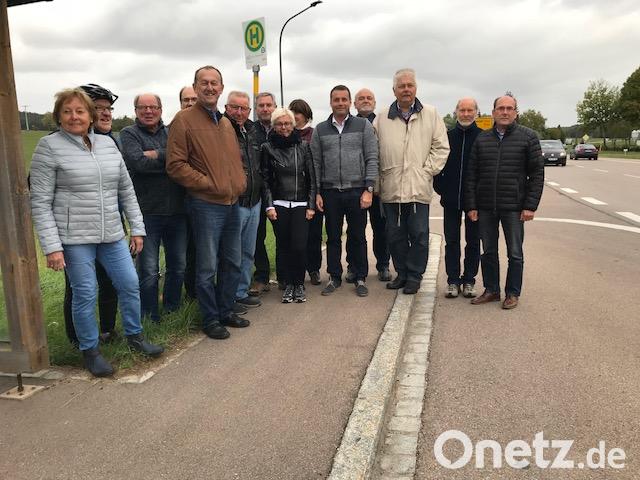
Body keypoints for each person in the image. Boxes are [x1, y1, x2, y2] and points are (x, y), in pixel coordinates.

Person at [30, 87, 163, 377]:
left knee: (129, 283)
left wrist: (137, 229)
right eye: (67, 112)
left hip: (111, 234)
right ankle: (90, 351)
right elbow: (40, 202)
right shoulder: (48, 147)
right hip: (75, 239)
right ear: (58, 117)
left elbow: (126, 190)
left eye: (80, 111)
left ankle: (135, 336)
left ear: (90, 115)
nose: (74, 116)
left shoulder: (107, 145)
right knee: (86, 293)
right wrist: (52, 247)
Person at [166, 65, 249, 340]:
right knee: (207, 267)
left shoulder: (225, 123)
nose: (210, 87)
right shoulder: (183, 120)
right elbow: (176, 165)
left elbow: (234, 161)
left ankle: (226, 310)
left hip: (232, 202)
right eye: (204, 82)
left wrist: (239, 181)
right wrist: (208, 184)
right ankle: (210, 318)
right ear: (195, 87)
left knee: (232, 262)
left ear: (221, 88)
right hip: (205, 204)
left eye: (215, 83)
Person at [464, 94, 544, 309]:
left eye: (509, 108)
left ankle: (512, 293)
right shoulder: (482, 139)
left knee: (515, 253)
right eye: (501, 108)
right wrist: (471, 205)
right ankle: (491, 290)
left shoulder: (528, 137)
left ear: (516, 112)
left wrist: (530, 206)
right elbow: (472, 175)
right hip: (486, 206)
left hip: (514, 207)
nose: (505, 112)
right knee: (488, 251)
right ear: (493, 112)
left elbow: (537, 174)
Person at [374, 68, 450, 295]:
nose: (406, 89)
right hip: (391, 187)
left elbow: (441, 147)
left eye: (410, 85)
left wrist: (427, 171)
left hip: (418, 187)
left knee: (419, 235)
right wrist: (377, 183)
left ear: (416, 88)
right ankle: (402, 273)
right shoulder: (382, 118)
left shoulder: (431, 114)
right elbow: (373, 153)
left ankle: (415, 276)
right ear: (394, 90)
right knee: (395, 236)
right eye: (401, 86)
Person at [120, 93, 187, 322]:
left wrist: (156, 155)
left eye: (153, 107)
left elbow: (183, 160)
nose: (148, 111)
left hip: (177, 211)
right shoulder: (128, 133)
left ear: (160, 109)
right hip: (147, 213)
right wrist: (169, 162)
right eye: (143, 107)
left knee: (178, 265)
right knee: (148, 269)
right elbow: (137, 163)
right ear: (136, 110)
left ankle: (172, 309)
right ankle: (150, 316)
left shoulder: (171, 132)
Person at [63, 83, 120, 346]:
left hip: (110, 226)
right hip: (76, 232)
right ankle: (77, 341)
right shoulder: (58, 144)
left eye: (109, 109)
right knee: (79, 288)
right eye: (99, 108)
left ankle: (108, 331)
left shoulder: (110, 142)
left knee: (109, 281)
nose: (106, 113)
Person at [311, 85, 379, 297]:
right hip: (330, 192)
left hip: (357, 190)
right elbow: (315, 163)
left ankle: (360, 277)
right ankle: (334, 276)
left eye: (344, 99)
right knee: (333, 237)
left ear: (350, 102)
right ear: (331, 102)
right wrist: (317, 192)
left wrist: (369, 189)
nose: (340, 103)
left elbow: (372, 158)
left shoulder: (363, 126)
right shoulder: (320, 130)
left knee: (358, 236)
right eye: (336, 99)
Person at [262, 108, 316, 303]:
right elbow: (265, 180)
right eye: (279, 124)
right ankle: (288, 284)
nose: (283, 127)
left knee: (299, 246)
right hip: (279, 203)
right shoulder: (267, 148)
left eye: (287, 123)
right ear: (274, 126)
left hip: (301, 203)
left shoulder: (303, 146)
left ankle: (299, 283)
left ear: (293, 125)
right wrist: (269, 206)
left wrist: (311, 205)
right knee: (283, 245)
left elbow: (312, 178)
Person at [433, 97, 482, 299]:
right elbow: (437, 165)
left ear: (476, 113)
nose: (466, 114)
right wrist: (442, 189)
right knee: (452, 241)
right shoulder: (447, 137)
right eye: (462, 110)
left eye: (470, 110)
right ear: (456, 112)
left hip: (475, 202)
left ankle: (469, 280)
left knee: (473, 242)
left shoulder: (482, 137)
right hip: (451, 199)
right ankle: (453, 281)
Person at [223, 91, 263, 310]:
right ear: (226, 108)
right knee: (231, 254)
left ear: (249, 111)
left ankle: (240, 292)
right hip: (234, 202)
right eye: (235, 107)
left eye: (244, 108)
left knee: (248, 251)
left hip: (254, 201)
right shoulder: (221, 129)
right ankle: (228, 298)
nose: (239, 112)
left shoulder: (253, 130)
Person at [353, 88, 391, 283]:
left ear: (374, 103)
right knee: (355, 231)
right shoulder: (350, 124)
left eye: (369, 98)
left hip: (378, 187)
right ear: (355, 104)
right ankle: (354, 267)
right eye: (361, 98)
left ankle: (383, 265)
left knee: (381, 229)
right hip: (354, 186)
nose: (365, 101)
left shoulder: (383, 123)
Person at [289, 98, 321, 286]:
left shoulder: (314, 134)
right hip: (293, 194)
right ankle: (293, 272)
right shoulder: (286, 133)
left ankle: (314, 269)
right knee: (295, 237)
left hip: (312, 190)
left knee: (314, 234)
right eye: (292, 112)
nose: (294, 116)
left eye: (298, 112)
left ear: (306, 115)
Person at [249, 92, 278, 295]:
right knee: (257, 237)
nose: (265, 109)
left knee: (283, 235)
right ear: (256, 108)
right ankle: (261, 277)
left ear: (275, 106)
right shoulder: (250, 130)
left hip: (280, 191)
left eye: (269, 105)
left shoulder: (283, 127)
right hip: (257, 192)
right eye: (261, 105)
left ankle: (284, 275)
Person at [178, 86, 199, 300]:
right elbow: (172, 161)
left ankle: (195, 293)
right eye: (186, 100)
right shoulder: (173, 128)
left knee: (199, 251)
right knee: (181, 255)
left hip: (203, 201)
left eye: (194, 99)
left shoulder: (207, 129)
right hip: (176, 203)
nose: (191, 103)